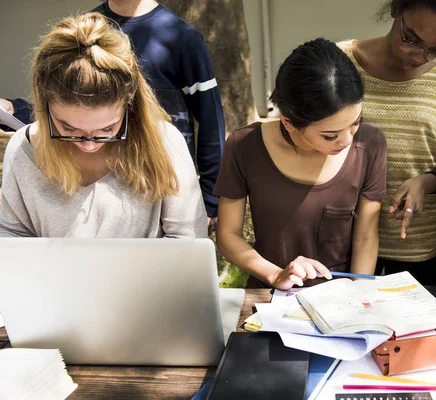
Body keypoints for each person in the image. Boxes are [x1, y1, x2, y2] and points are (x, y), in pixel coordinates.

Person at [2, 0, 225, 232]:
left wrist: (211, 199)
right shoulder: (84, 32)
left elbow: (211, 120)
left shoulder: (181, 38)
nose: (88, 145)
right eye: (68, 130)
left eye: (107, 130)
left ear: (132, 104)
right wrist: (16, 108)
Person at [214, 38, 387, 290]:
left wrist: (357, 296)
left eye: (356, 122)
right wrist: (275, 275)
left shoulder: (370, 145)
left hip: (340, 299)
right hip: (269, 299)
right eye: (330, 135)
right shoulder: (244, 146)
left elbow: (365, 236)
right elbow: (228, 236)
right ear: (288, 122)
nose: (348, 140)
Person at [338, 0, 436, 285]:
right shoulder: (340, 62)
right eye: (411, 39)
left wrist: (428, 182)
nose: (419, 56)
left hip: (418, 242)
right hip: (344, 237)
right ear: (395, 10)